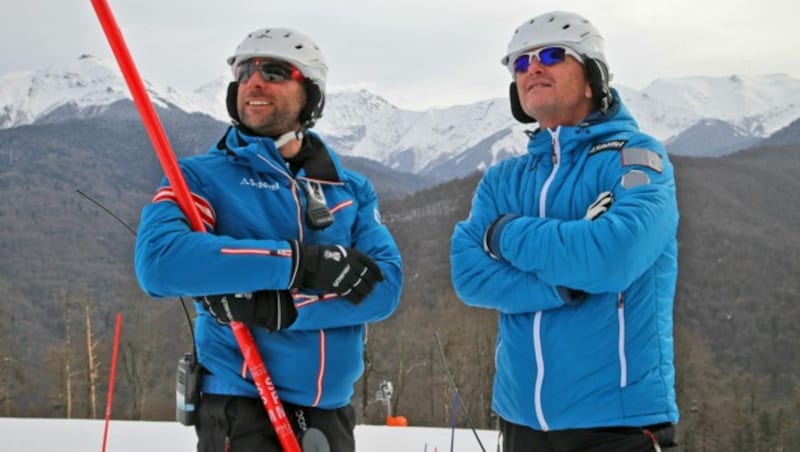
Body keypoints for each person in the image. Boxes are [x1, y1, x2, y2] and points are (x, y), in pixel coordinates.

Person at [134, 27, 403, 452]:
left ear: (310, 93)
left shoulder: (349, 190)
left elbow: (383, 289)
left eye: (274, 71)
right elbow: (160, 262)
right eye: (245, 72)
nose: (254, 82)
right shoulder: (200, 177)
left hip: (330, 414)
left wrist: (284, 309)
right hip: (242, 406)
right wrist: (301, 262)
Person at [450, 11, 680, 452]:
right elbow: (469, 276)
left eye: (552, 55)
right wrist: (563, 282)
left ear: (593, 78)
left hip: (617, 423)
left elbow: (613, 258)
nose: (532, 67)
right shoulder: (504, 178)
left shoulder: (635, 157)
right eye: (521, 63)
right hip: (519, 422)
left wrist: (503, 234)